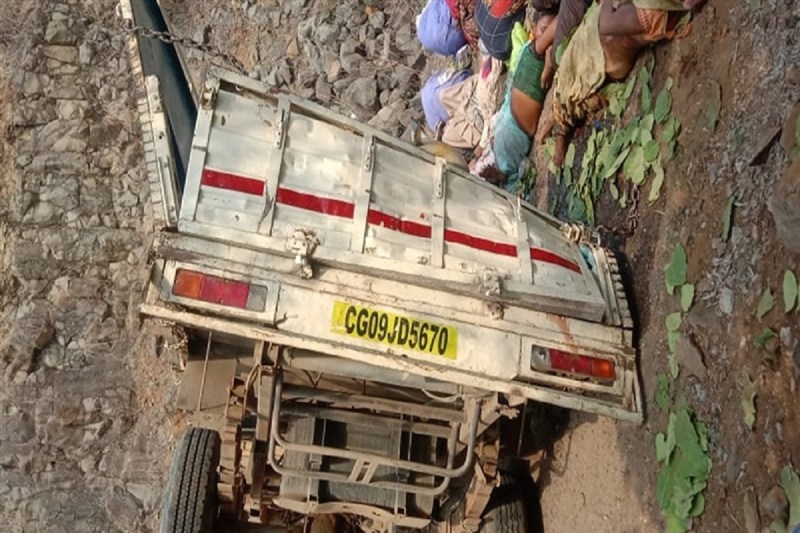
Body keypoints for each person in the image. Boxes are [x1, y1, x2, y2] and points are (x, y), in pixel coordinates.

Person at [541, 0, 695, 166]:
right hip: (608, 41)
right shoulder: (650, 12)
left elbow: (606, 23)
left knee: (576, 78)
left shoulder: (647, 14)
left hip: (608, 53)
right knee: (570, 62)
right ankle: (557, 115)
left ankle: (560, 127)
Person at [470, 13, 558, 191]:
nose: (546, 33)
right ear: (532, 29)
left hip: (511, 123)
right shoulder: (531, 54)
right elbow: (560, 23)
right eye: (543, 29)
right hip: (512, 122)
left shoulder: (531, 53)